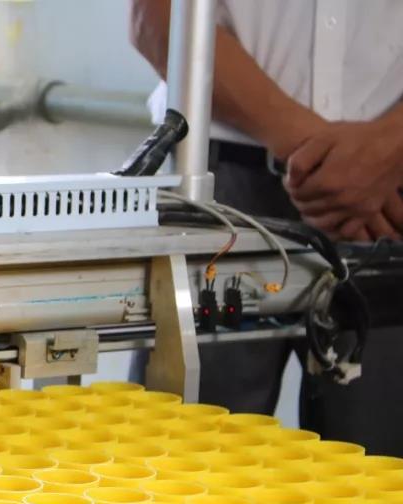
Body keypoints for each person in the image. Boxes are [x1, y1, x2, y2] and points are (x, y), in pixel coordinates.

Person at [131, 0, 403, 455]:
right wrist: (324, 161)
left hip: (388, 191)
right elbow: (155, 17)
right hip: (216, 193)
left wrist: (389, 147)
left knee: (383, 467)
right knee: (186, 463)